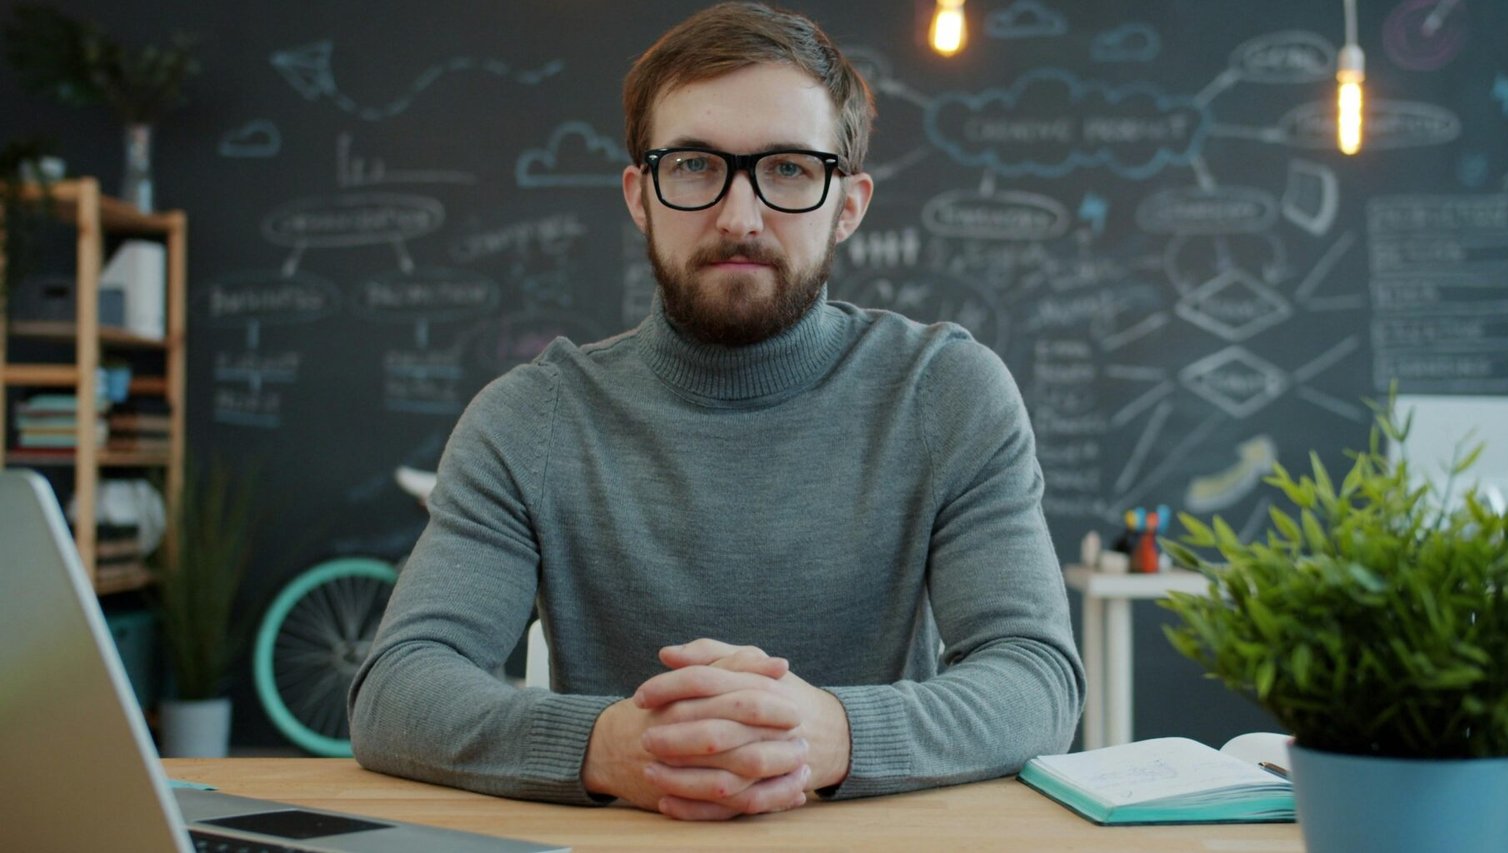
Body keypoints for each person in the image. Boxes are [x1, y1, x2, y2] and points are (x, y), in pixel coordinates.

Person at [348, 1, 1084, 821]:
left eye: (789, 169)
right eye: (696, 165)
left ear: (849, 204)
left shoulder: (947, 393)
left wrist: (827, 735)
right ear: (640, 196)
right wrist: (608, 747)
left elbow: (1036, 678)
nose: (739, 216)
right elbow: (396, 688)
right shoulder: (531, 419)